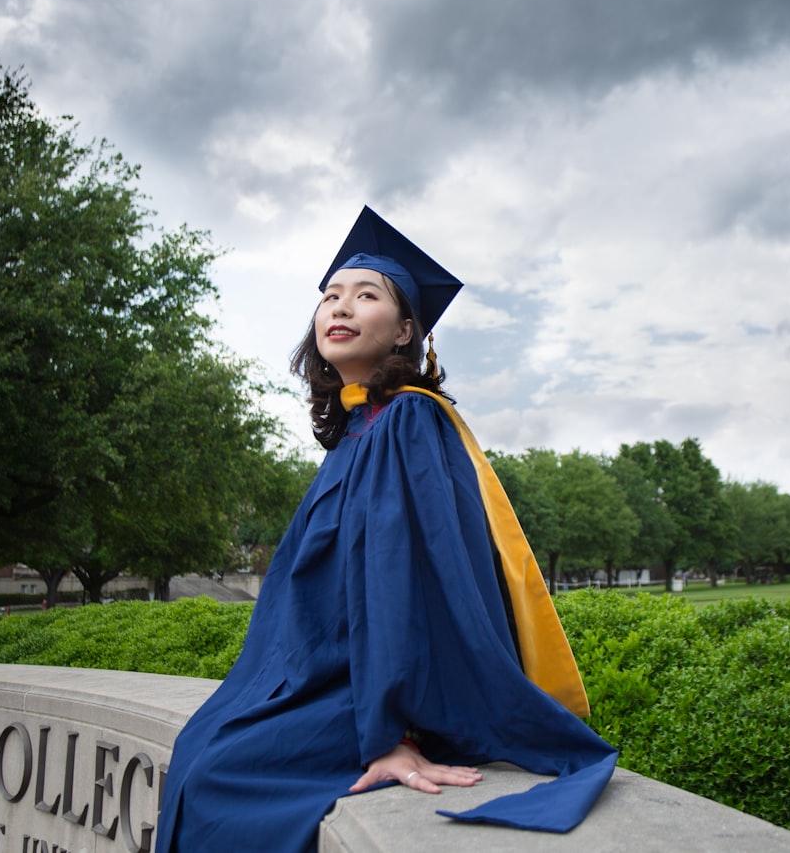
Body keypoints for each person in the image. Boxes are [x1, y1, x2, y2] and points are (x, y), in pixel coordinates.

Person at [157, 207, 617, 853]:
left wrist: (391, 734)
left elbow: (401, 586)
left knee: (220, 777)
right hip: (323, 677)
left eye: (365, 295)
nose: (339, 307)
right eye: (329, 297)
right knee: (200, 745)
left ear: (406, 330)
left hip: (368, 692)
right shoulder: (355, 432)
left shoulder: (407, 423)